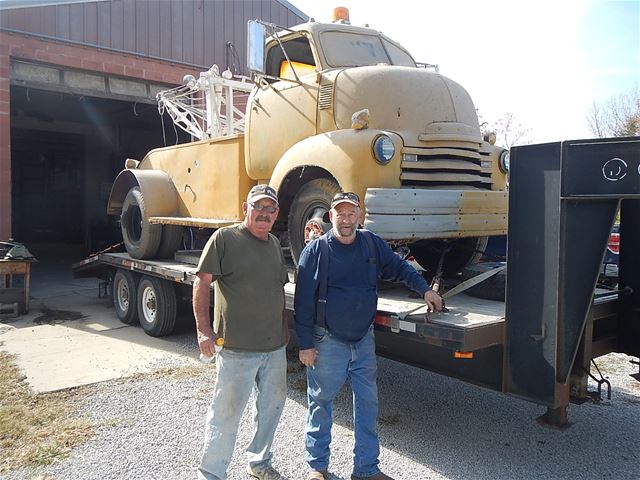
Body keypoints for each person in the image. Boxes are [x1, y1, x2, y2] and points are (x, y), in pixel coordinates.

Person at [294, 191, 443, 480]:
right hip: (327, 340)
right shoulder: (315, 251)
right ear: (331, 216)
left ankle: (366, 469)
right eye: (341, 213)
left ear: (359, 215)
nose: (347, 219)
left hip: (363, 339)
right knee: (320, 404)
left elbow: (400, 267)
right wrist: (305, 344)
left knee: (367, 404)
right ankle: (317, 468)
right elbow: (302, 302)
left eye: (352, 213)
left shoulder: (371, 244)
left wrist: (424, 289)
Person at [193, 184, 288, 480]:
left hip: (274, 349)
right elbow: (202, 283)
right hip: (236, 349)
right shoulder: (225, 238)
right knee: (226, 414)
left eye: (269, 208)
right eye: (257, 207)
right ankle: (211, 474)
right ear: (245, 209)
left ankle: (259, 464)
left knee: (270, 410)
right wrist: (204, 331)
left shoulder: (273, 243)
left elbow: (276, 290)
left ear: (276, 214)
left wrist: (285, 335)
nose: (263, 213)